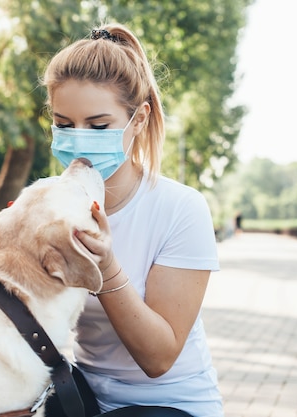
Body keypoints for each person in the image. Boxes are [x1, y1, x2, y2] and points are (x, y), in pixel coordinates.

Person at [41, 23, 222, 417]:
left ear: (138, 120)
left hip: (170, 404)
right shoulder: (48, 201)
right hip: (86, 395)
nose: (78, 140)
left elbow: (158, 359)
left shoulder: (180, 209)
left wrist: (105, 267)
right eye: (64, 124)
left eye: (99, 125)